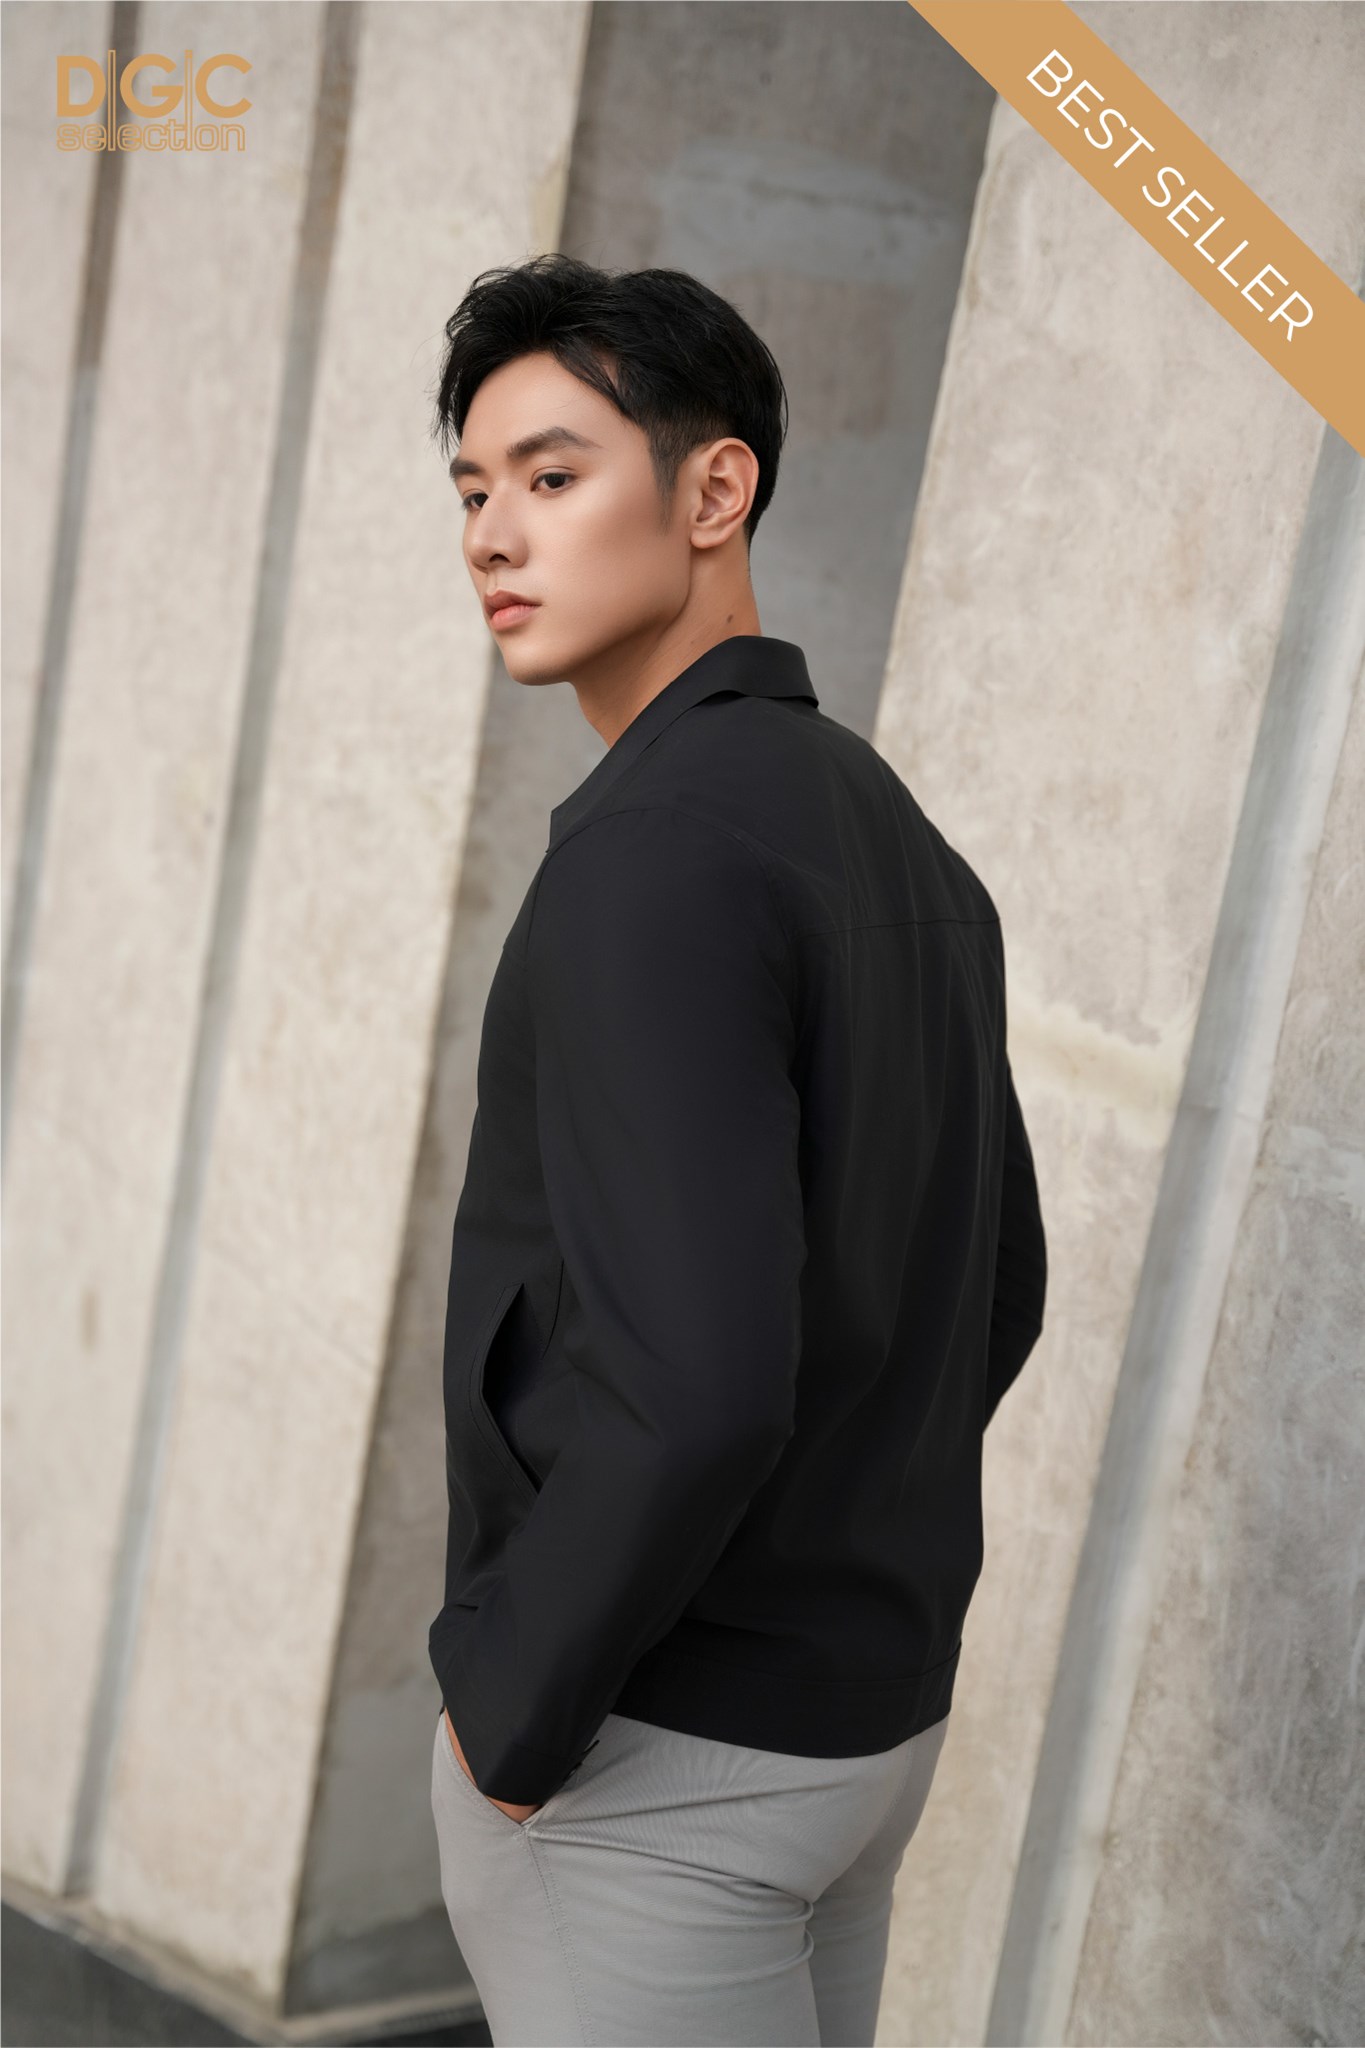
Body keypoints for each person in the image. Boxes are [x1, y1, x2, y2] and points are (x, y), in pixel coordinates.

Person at [425, 253, 1048, 2048]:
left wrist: (510, 1711)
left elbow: (694, 1390)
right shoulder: (891, 830)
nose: (491, 535)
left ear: (714, 492)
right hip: (857, 1737)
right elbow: (996, 1287)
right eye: (470, 491)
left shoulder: (652, 855)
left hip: (652, 1770)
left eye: (551, 476)